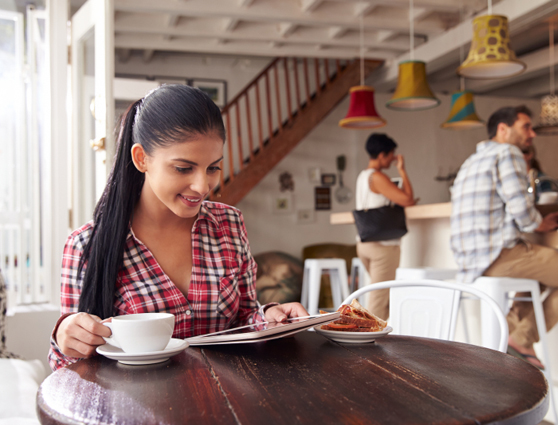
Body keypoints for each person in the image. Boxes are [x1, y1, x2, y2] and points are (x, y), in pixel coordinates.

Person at [49, 84, 308, 371]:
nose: (203, 186)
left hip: (227, 407)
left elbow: (243, 319)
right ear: (141, 159)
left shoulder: (229, 224)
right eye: (183, 168)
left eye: (213, 168)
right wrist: (66, 337)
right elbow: (68, 369)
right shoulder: (85, 245)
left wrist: (271, 316)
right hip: (138, 411)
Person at [450, 105, 558, 369]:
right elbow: (521, 210)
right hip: (497, 255)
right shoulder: (508, 152)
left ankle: (508, 332)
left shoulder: (471, 161)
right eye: (526, 127)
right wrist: (541, 223)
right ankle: (522, 338)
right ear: (503, 129)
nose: (532, 133)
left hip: (470, 261)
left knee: (539, 278)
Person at [355, 133, 418, 320]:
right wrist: (402, 171)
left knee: (383, 299)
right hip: (382, 248)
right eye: (391, 154)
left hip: (364, 244)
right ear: (382, 155)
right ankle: (366, 346)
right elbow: (408, 200)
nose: (393, 159)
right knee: (377, 305)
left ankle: (385, 340)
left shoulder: (362, 176)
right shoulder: (378, 177)